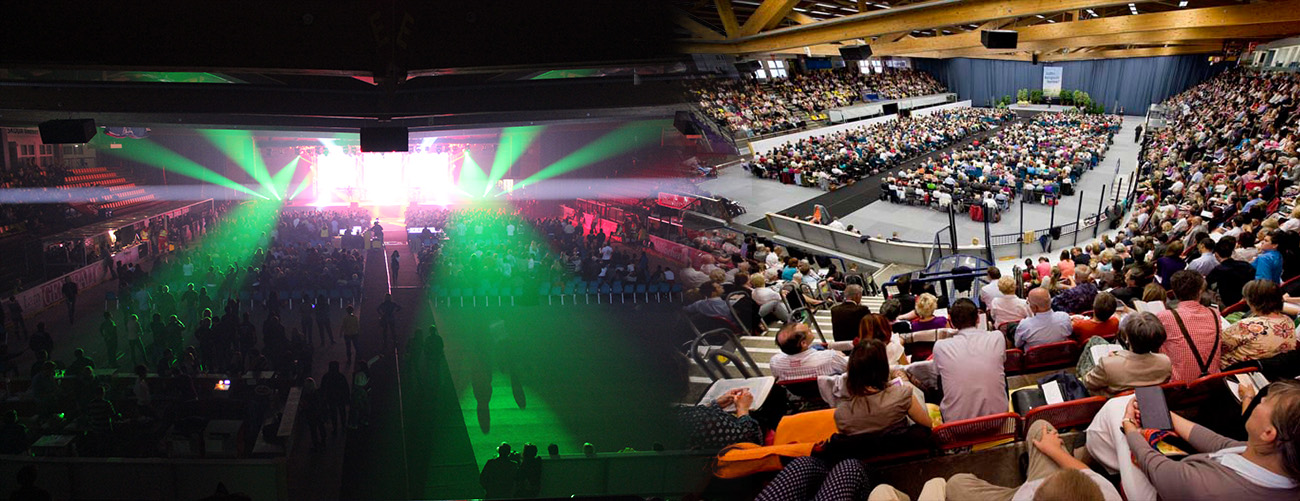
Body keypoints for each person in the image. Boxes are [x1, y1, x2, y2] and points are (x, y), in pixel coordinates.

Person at [1084, 379, 1300, 500]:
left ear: (1269, 433)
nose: (1259, 400)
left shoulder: (1208, 488)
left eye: (1266, 401)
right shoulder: (1275, 459)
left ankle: (1102, 464)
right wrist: (1165, 414)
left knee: (1116, 408)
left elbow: (1153, 465)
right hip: (1184, 472)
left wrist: (1130, 426)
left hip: (1163, 486)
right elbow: (1220, 444)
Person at [944, 420, 1120, 501]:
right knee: (1040, 428)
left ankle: (1026, 480)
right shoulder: (1107, 494)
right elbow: (1087, 473)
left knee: (955, 485)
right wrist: (1054, 450)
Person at [833, 339, 931, 436]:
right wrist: (905, 382)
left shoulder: (841, 415)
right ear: (883, 368)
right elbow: (928, 425)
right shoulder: (903, 395)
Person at [932, 298, 1007, 422]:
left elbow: (937, 376)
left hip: (957, 426)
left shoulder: (940, 346)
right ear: (978, 318)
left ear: (952, 323)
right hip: (999, 420)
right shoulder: (997, 336)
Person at [1082, 312, 1172, 396]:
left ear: (1127, 338)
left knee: (1093, 342)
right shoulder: (1166, 362)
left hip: (1113, 402)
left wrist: (1112, 362)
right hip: (1150, 400)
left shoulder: (1107, 365)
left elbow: (1088, 383)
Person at [1157, 271, 1223, 382]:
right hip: (1212, 381)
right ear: (1200, 291)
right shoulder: (1215, 313)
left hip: (1178, 385)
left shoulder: (1165, 316)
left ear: (1173, 292)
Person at [1221, 280, 1297, 367]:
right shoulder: (1289, 322)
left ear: (1252, 301)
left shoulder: (1247, 325)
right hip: (1264, 371)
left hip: (1230, 370)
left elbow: (1217, 347)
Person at [769, 322, 847, 383]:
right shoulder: (830, 357)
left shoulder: (774, 362)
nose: (810, 329)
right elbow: (850, 368)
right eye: (808, 331)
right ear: (803, 343)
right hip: (828, 391)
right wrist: (839, 355)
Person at [1207, 236, 1254, 307]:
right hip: (1247, 299)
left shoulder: (1219, 269)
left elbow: (1207, 282)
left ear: (1216, 254)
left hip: (1228, 302)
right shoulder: (1245, 264)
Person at [320, 360, 350, 436]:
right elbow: (346, 388)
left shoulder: (326, 377)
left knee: (333, 414)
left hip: (331, 399)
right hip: (340, 398)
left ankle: (335, 428)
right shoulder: (341, 377)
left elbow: (323, 388)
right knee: (342, 412)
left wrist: (323, 399)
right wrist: (347, 398)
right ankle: (343, 426)